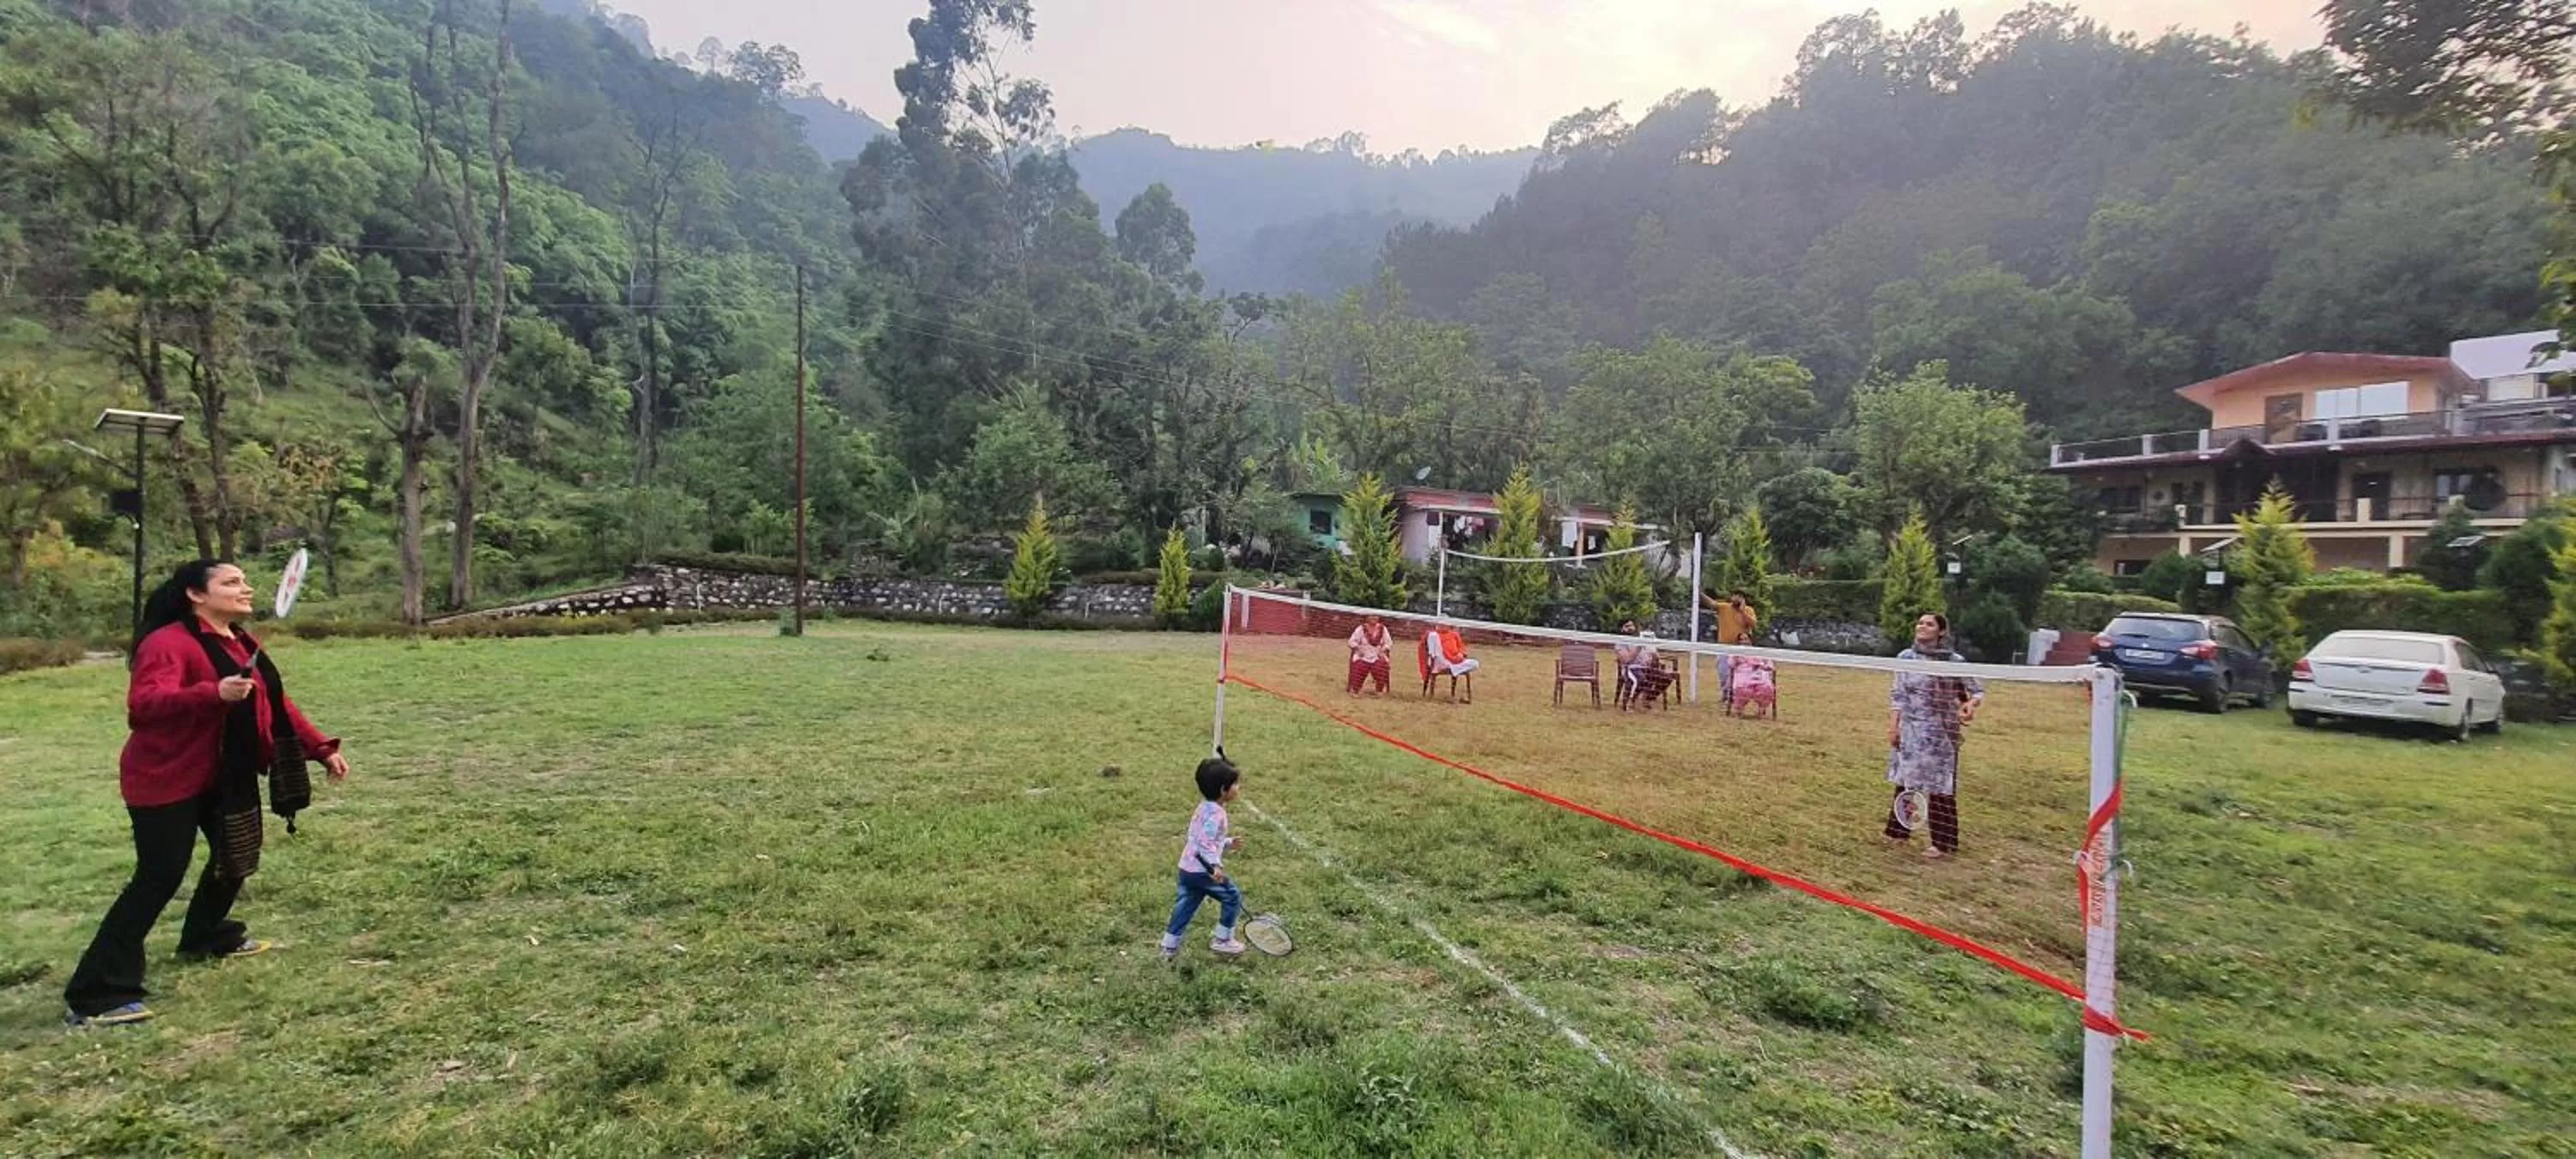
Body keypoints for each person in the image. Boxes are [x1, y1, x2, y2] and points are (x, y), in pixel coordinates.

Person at [63, 560, 350, 1027]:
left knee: (235, 853)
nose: (245, 588)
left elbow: (273, 702)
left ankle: (205, 936)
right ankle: (96, 993)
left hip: (224, 774)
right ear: (197, 595)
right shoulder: (168, 643)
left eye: (244, 581)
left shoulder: (240, 640)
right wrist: (211, 693)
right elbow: (144, 707)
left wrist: (319, 748)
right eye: (231, 583)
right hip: (166, 776)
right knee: (159, 875)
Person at [1883, 611, 1982, 859]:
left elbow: (1977, 690)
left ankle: (1943, 842)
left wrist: (1969, 705)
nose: (1922, 627)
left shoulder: (1954, 661)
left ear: (1941, 631)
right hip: (1911, 730)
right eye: (1920, 623)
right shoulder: (1905, 658)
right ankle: (1899, 832)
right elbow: (1898, 695)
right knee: (1906, 780)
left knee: (1939, 786)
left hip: (1940, 734)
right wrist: (1894, 726)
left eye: (1929, 624)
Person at [1162, 756, 1248, 961]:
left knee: (1187, 904)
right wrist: (1214, 866)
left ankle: (1169, 946)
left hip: (1188, 868)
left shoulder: (1204, 808)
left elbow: (1203, 837)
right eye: (1235, 784)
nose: (1238, 787)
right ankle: (1223, 940)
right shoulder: (1217, 814)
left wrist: (1226, 842)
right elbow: (1205, 842)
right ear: (1222, 791)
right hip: (1202, 871)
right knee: (1232, 896)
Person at [1700, 590, 1759, 705]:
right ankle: (1726, 694)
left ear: (1743, 599)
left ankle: (1737, 695)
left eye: (1738, 596)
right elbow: (1712, 604)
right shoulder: (1724, 608)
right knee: (1723, 671)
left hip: (1741, 647)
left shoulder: (1749, 610)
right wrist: (1700, 593)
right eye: (1734, 596)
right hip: (1724, 646)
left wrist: (1742, 612)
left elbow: (1753, 624)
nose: (1735, 598)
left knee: (1740, 672)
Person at [1613, 619, 1673, 709]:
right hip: (1630, 669)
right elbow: (1626, 660)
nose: (1630, 628)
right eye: (1627, 626)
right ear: (1621, 629)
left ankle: (1648, 698)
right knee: (1641, 679)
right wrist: (1639, 646)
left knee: (1666, 677)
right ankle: (1630, 702)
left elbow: (1649, 656)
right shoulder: (1620, 643)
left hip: (1645, 668)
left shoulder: (1639, 639)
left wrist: (1654, 656)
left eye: (1631, 625)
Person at [1425, 622, 1479, 702]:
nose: (1442, 626)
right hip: (1444, 662)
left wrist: (1461, 654)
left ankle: (1454, 670)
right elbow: (1437, 653)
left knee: (1475, 663)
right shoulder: (1434, 636)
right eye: (1440, 625)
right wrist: (1451, 659)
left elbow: (1461, 647)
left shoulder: (1455, 635)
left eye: (1444, 624)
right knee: (1444, 663)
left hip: (1457, 662)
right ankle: (1455, 670)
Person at [1346, 614, 1393, 695]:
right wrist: (1358, 649)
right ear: (1367, 617)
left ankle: (1379, 690)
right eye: (1371, 616)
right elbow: (1351, 641)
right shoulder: (1361, 628)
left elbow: (1389, 643)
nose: (1374, 618)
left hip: (1377, 654)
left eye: (1376, 616)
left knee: (1381, 665)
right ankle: (1356, 690)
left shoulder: (1383, 629)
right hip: (1363, 655)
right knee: (1360, 665)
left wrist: (1383, 650)